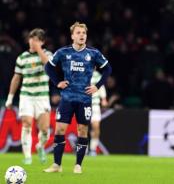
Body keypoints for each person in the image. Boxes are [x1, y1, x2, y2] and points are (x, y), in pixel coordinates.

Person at [43, 22, 112, 174]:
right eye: (79, 33)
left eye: (84, 33)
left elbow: (108, 69)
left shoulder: (93, 53)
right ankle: (56, 165)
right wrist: (57, 82)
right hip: (67, 98)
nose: (82, 35)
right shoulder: (63, 52)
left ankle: (78, 165)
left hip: (84, 99)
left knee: (82, 130)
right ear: (72, 36)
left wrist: (97, 86)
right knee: (60, 129)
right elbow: (48, 67)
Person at [5, 28, 52, 165]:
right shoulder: (22, 58)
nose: (33, 42)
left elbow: (48, 66)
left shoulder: (48, 54)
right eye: (31, 39)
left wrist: (39, 50)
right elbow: (16, 78)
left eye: (37, 40)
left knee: (44, 130)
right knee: (26, 124)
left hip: (42, 96)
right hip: (26, 96)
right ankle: (27, 156)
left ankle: (40, 146)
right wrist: (10, 97)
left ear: (42, 42)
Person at [89, 70, 108, 156]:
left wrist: (103, 98)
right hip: (83, 104)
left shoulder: (97, 75)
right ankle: (83, 148)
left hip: (95, 105)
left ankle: (92, 149)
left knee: (96, 127)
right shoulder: (81, 72)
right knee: (82, 128)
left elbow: (101, 86)